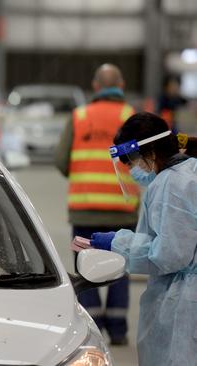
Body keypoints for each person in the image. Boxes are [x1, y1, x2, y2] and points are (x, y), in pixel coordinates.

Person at [87, 112, 197, 366]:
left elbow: (170, 255)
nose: (134, 170)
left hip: (184, 306)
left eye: (133, 161)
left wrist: (118, 244)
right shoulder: (189, 172)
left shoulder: (172, 185)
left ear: (151, 153)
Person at [54, 63, 137, 345]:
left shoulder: (79, 116)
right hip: (123, 211)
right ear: (121, 85)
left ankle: (91, 328)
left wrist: (82, 173)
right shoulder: (130, 117)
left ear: (95, 86)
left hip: (85, 209)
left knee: (85, 267)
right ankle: (118, 330)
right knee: (120, 266)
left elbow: (60, 160)